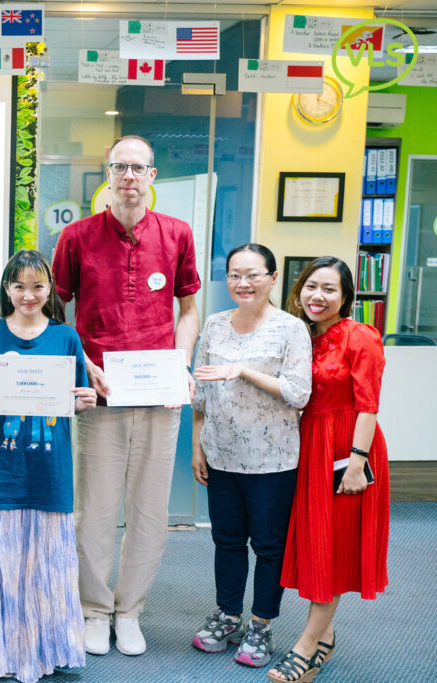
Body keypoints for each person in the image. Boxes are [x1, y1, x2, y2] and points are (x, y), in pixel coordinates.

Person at [51, 135, 201, 656]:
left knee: (149, 510)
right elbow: (56, 313)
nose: (130, 177)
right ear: (108, 175)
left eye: (139, 168)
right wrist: (81, 364)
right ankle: (93, 609)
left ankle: (129, 610)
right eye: (121, 168)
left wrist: (182, 364)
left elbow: (189, 311)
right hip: (100, 395)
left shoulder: (178, 234)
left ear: (152, 176)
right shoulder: (76, 237)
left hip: (160, 396)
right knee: (93, 509)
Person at [0, 250, 98, 683]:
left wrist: (84, 401)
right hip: (0, 469)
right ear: (6, 290)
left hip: (49, 469)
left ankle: (48, 644)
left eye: (37, 286)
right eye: (19, 286)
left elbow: (75, 396)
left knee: (47, 558)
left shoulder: (66, 338)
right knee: (2, 556)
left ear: (50, 289)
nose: (28, 295)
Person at [267, 257, 389, 683]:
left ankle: (305, 645)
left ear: (346, 297)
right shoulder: (299, 335)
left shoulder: (361, 336)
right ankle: (326, 637)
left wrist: (357, 461)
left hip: (346, 446)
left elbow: (368, 405)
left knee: (335, 548)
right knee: (316, 542)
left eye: (330, 289)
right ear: (299, 290)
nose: (318, 296)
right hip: (308, 447)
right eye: (311, 286)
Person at [189, 244, 312, 668]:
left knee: (268, 545)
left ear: (273, 278)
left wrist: (242, 370)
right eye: (235, 275)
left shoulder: (291, 328)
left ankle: (261, 624)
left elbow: (298, 392)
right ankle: (228, 615)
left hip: (272, 460)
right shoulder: (215, 324)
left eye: (253, 275)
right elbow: (201, 394)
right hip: (221, 454)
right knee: (226, 541)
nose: (243, 283)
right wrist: (197, 446)